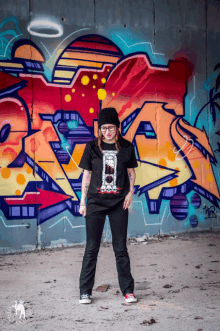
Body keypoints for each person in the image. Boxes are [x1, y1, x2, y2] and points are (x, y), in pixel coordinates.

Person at [78, 107, 138, 304]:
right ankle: (85, 292)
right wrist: (83, 201)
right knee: (91, 248)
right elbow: (86, 175)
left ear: (118, 127)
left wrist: (130, 193)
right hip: (95, 203)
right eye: (103, 128)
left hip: (118, 204)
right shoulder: (91, 148)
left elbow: (131, 172)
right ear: (99, 129)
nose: (107, 132)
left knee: (120, 248)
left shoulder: (127, 147)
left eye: (111, 127)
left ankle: (128, 291)